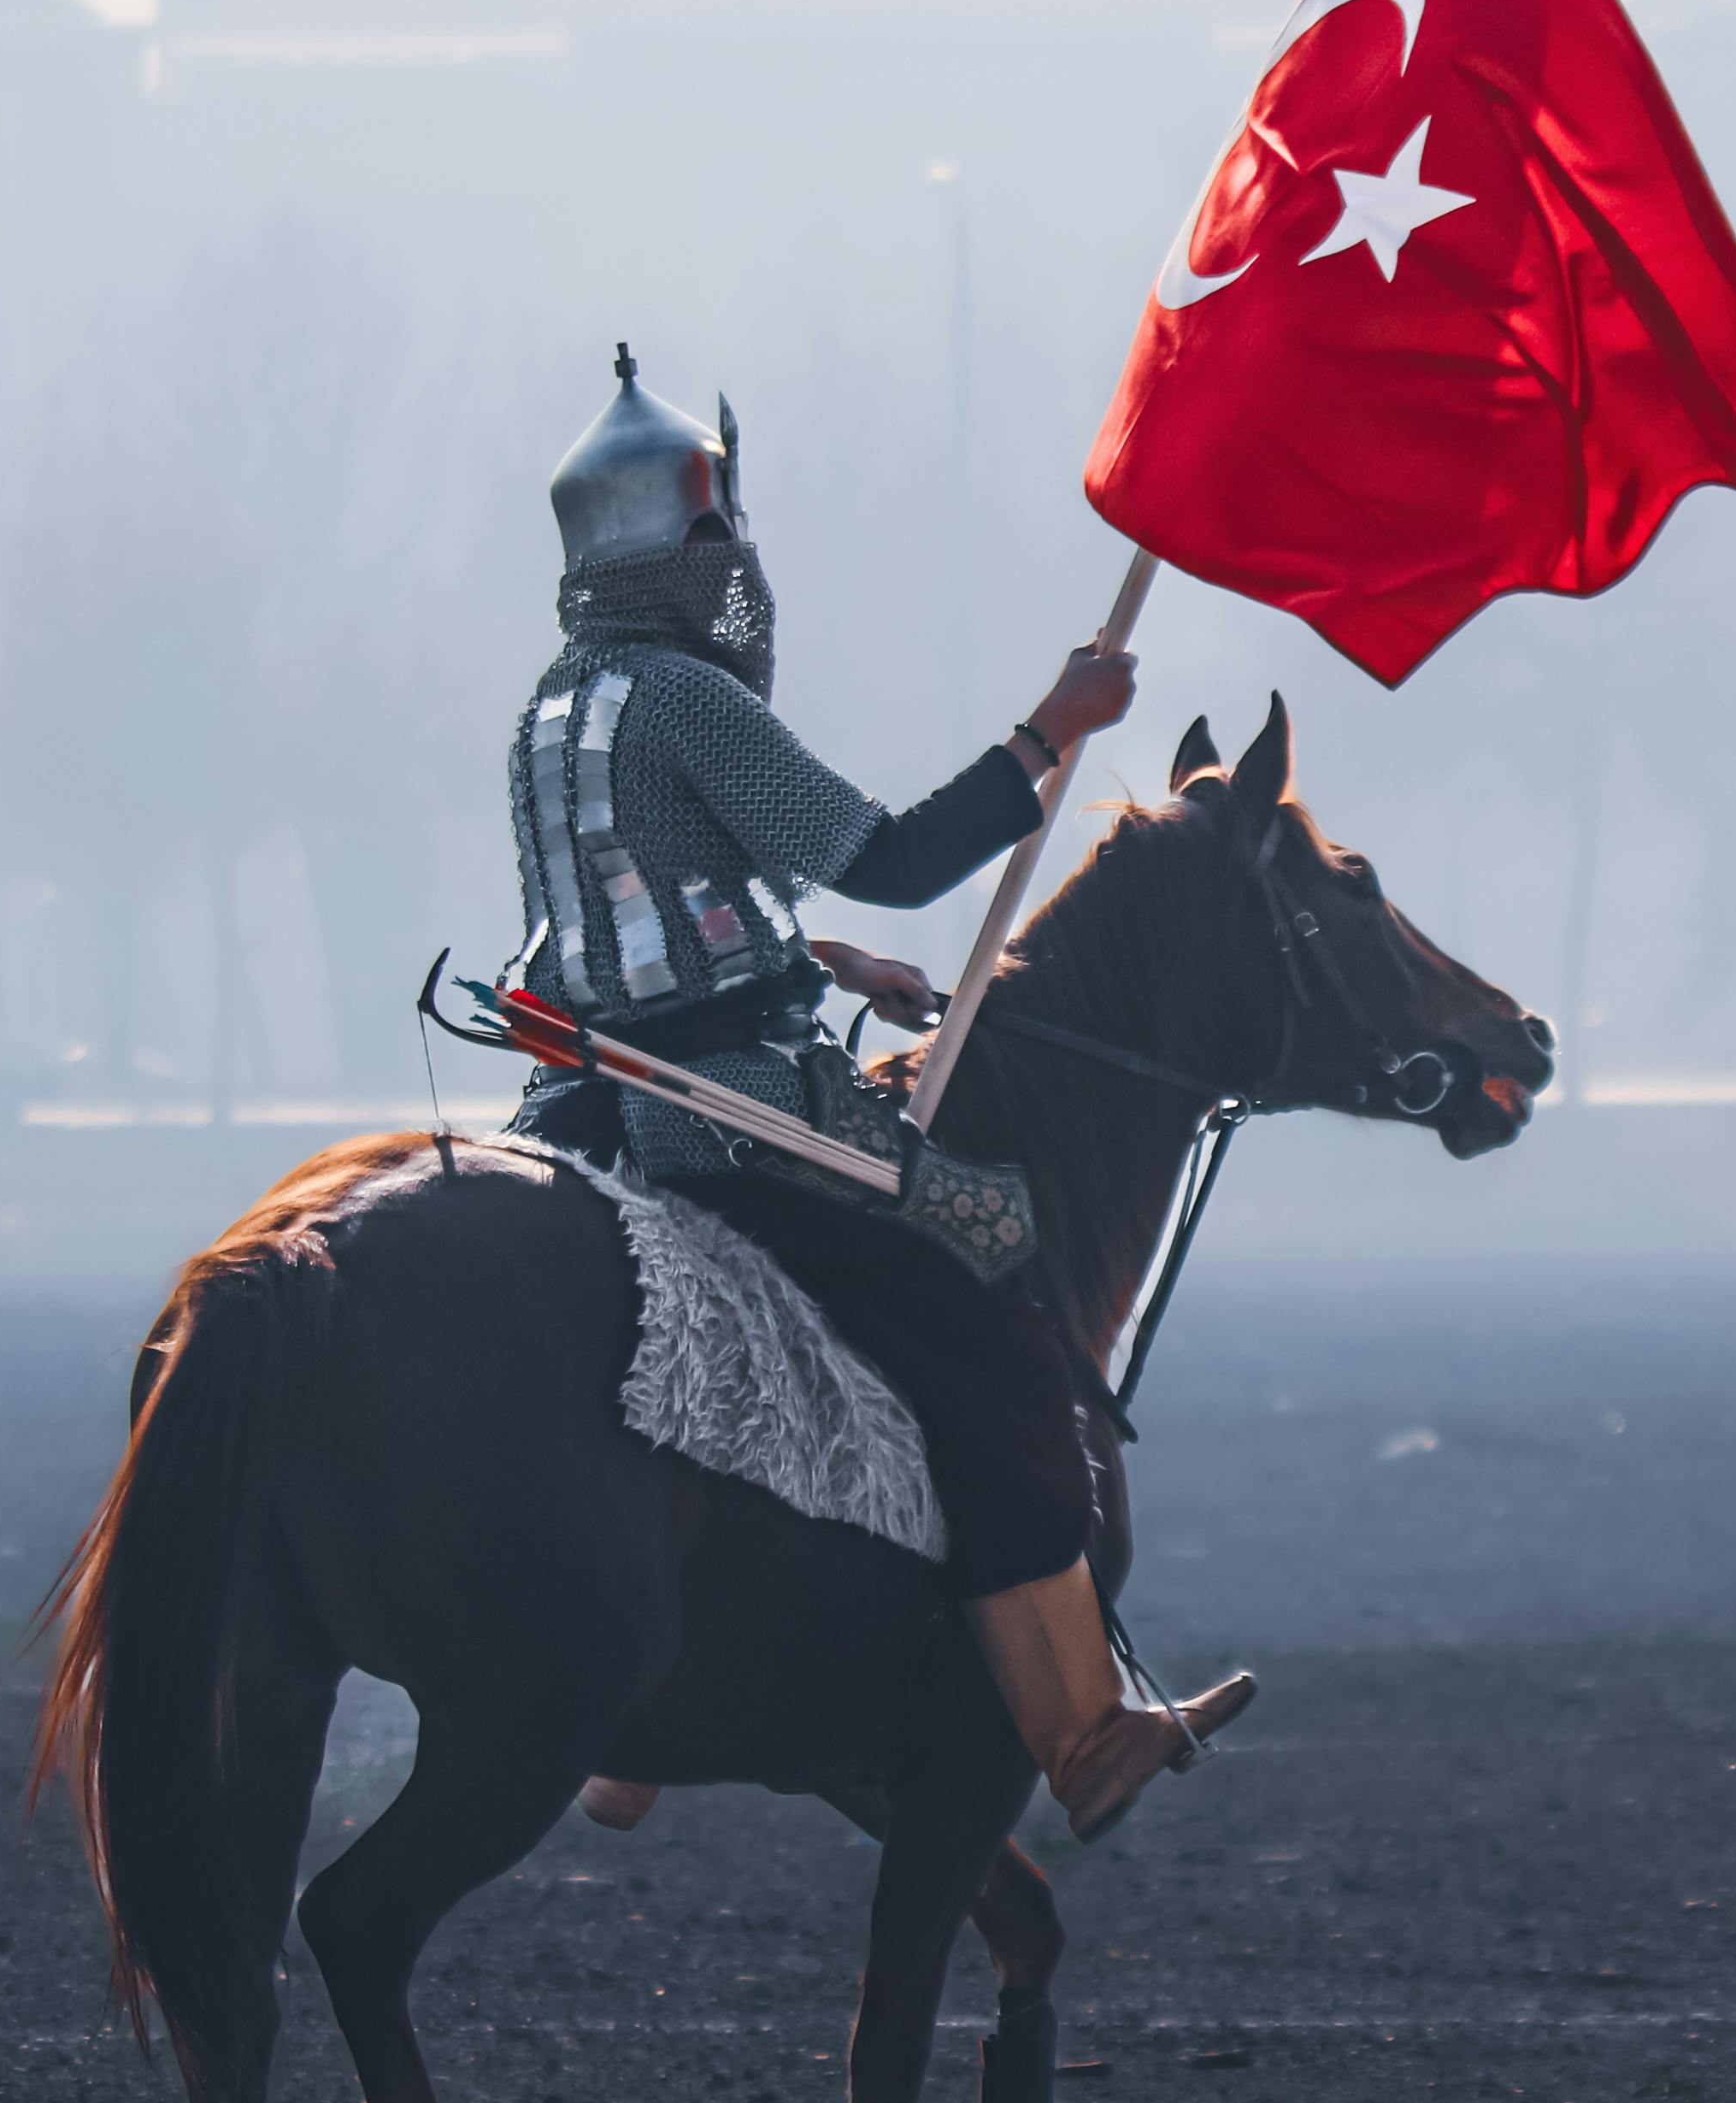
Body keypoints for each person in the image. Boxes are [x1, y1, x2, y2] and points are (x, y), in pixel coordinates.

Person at [503, 347, 1254, 1840]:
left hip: (588, 1105)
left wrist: (822, 952)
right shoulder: (681, 699)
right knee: (992, 1297)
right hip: (726, 1105)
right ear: (686, 553)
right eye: (720, 543)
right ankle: (1073, 1720)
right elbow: (899, 855)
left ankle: (623, 1728)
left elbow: (603, 929)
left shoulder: (551, 707)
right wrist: (1057, 729)